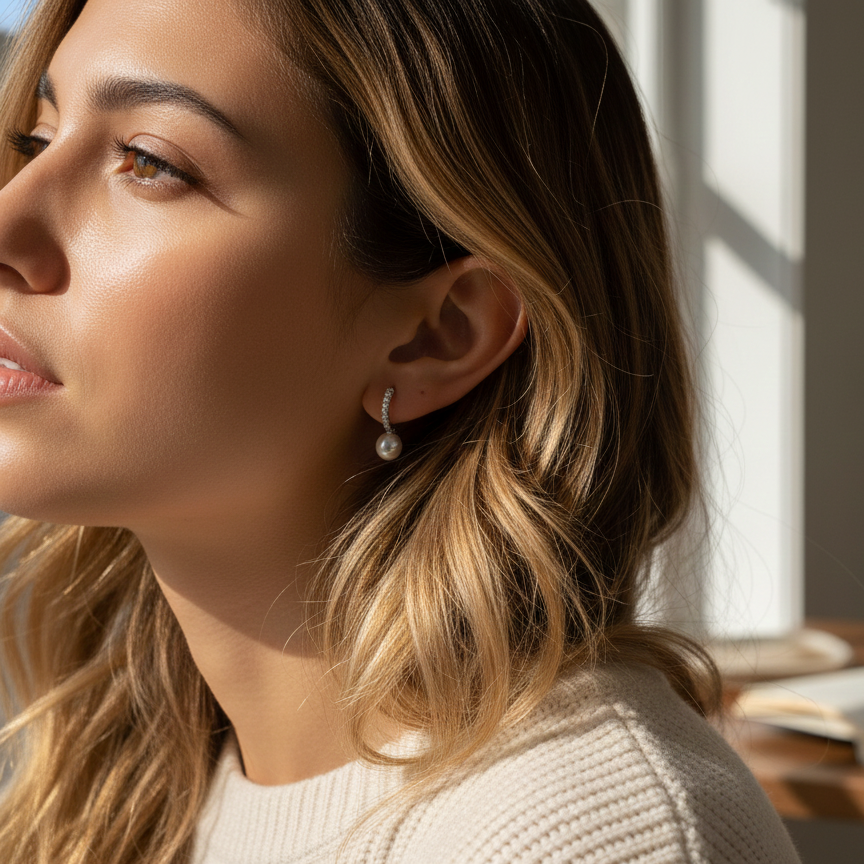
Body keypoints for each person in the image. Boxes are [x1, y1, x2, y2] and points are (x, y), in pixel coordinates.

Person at [0, 0, 802, 861]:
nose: (8, 221)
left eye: (150, 162)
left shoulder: (580, 840)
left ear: (436, 337)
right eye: (41, 140)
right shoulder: (134, 780)